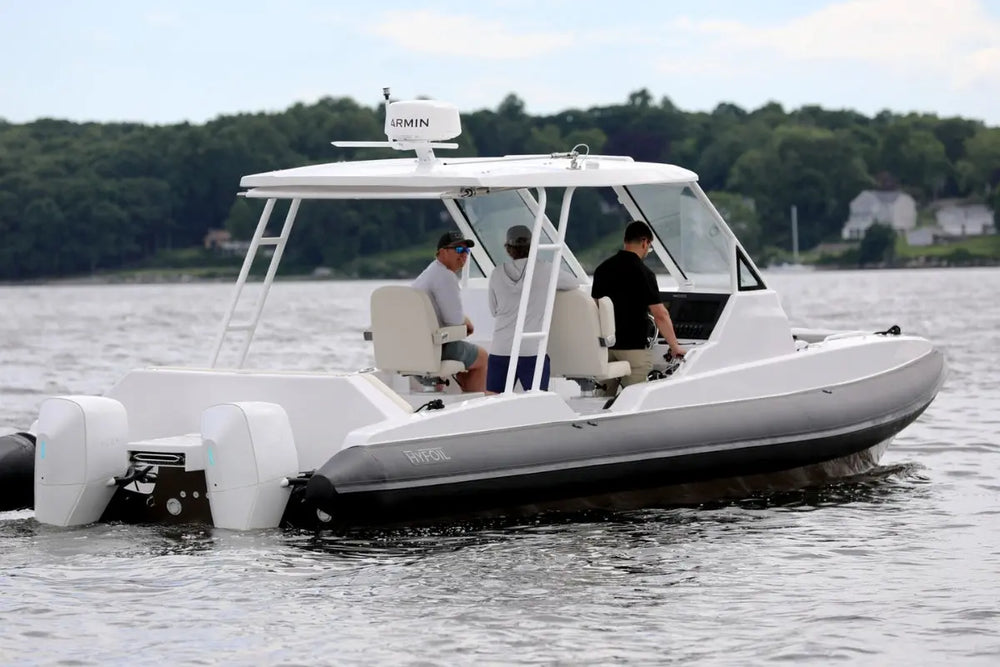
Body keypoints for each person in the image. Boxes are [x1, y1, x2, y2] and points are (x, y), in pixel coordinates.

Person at [591, 220, 685, 395]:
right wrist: (674, 346)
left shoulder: (602, 269)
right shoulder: (644, 273)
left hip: (606, 349)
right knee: (633, 398)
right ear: (644, 242)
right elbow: (660, 314)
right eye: (649, 247)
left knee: (601, 398)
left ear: (625, 241)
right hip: (633, 349)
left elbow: (596, 308)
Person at [486, 225, 580, 394]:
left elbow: (494, 311)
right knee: (537, 401)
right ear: (534, 246)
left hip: (501, 348)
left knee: (492, 400)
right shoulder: (546, 270)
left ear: (508, 248)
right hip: (530, 350)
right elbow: (574, 283)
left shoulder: (496, 273)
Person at [411, 230, 488, 392]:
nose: (464, 254)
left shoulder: (428, 273)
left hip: (415, 346)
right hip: (434, 348)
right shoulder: (445, 276)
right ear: (442, 252)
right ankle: (475, 402)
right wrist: (467, 323)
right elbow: (455, 321)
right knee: (482, 357)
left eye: (466, 250)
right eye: (459, 249)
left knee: (463, 350)